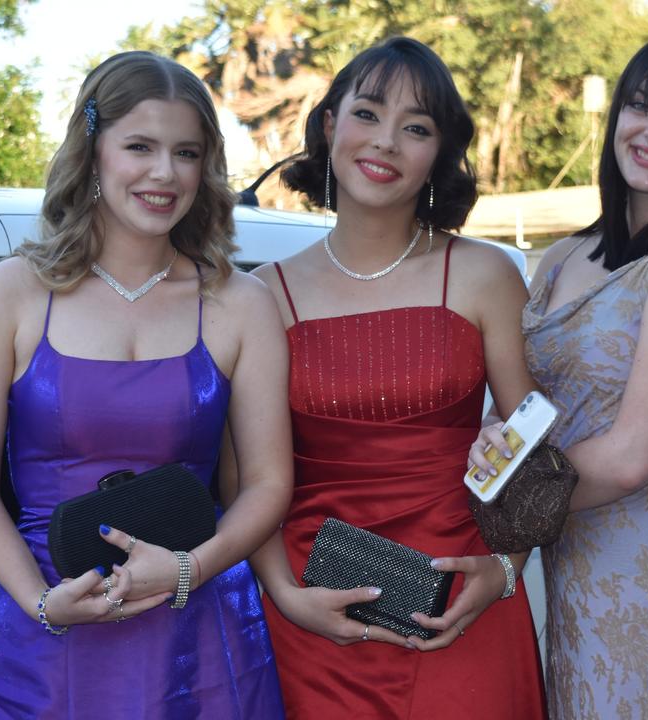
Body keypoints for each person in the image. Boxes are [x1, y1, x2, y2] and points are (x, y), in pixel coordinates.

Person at [0, 51, 291, 718]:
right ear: (92, 151)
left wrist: (189, 570)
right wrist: (40, 603)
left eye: (186, 152)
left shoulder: (238, 302)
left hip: (201, 635)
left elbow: (268, 484)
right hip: (47, 636)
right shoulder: (12, 293)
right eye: (139, 146)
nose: (164, 173)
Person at [246, 36, 546, 719]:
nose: (384, 143)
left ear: (439, 154)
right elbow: (245, 478)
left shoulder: (483, 274)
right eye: (368, 114)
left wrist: (505, 572)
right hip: (315, 612)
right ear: (329, 124)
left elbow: (532, 440)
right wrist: (286, 596)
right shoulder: (262, 295)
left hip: (463, 599)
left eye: (416, 128)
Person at [470, 26, 648, 718]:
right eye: (640, 105)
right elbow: (528, 407)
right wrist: (493, 444)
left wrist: (487, 505)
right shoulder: (568, 255)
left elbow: (633, 457)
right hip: (570, 587)